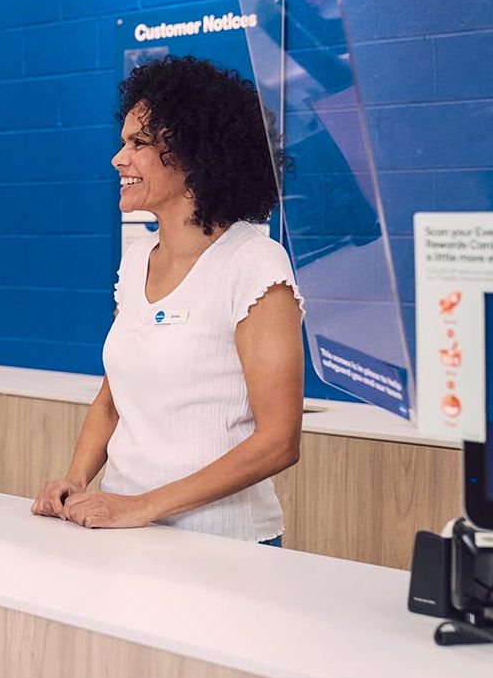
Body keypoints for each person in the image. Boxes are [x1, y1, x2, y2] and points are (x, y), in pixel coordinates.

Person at [32, 55, 304, 544]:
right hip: (122, 531)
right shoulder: (137, 260)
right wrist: (75, 482)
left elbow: (278, 443)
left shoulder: (254, 262)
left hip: (224, 544)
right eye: (123, 143)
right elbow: (111, 402)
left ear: (195, 155)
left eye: (139, 143)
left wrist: (142, 507)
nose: (119, 158)